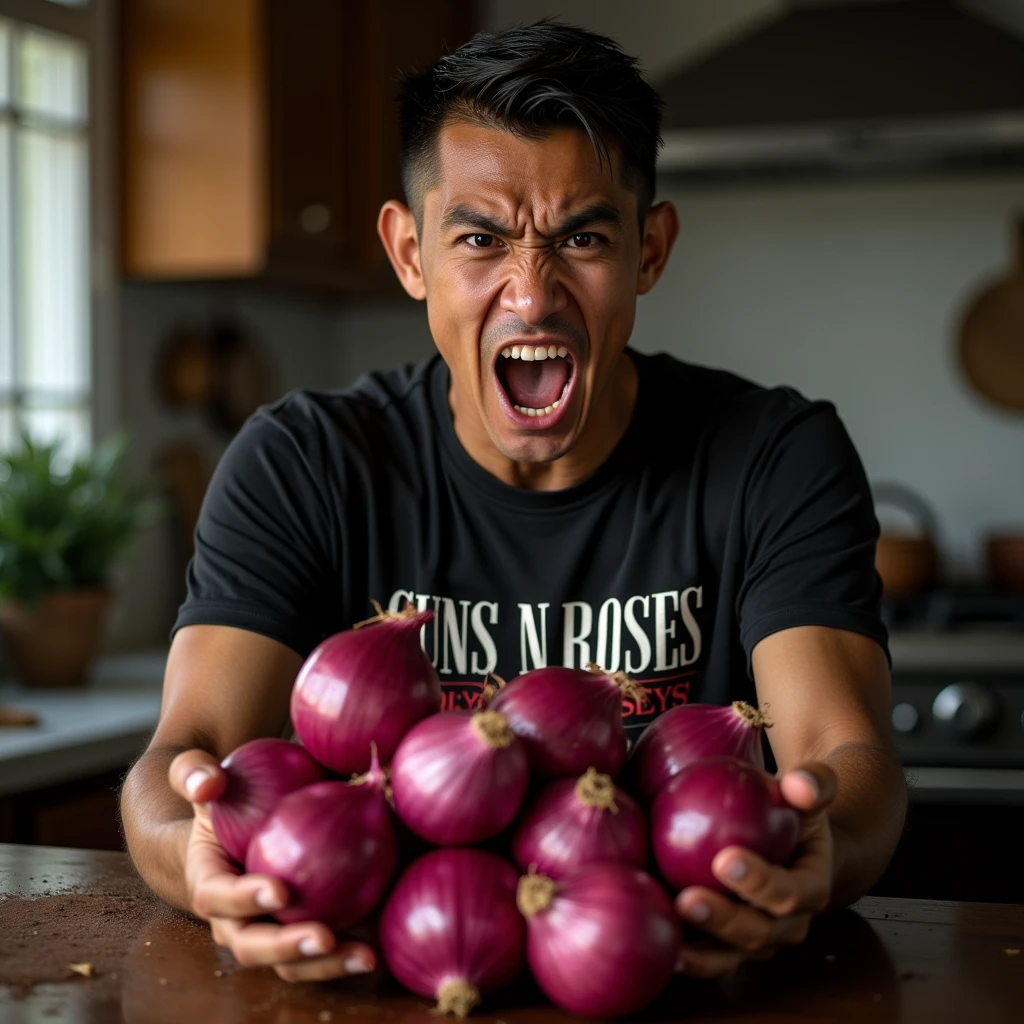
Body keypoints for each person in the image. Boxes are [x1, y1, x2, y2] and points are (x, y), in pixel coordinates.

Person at [121, 21, 907, 984]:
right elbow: (186, 760)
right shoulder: (303, 462)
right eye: (480, 239)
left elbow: (846, 757)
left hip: (679, 982)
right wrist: (194, 864)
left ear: (650, 251)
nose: (531, 296)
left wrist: (820, 858)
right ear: (410, 254)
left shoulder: (775, 457)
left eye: (582, 237)